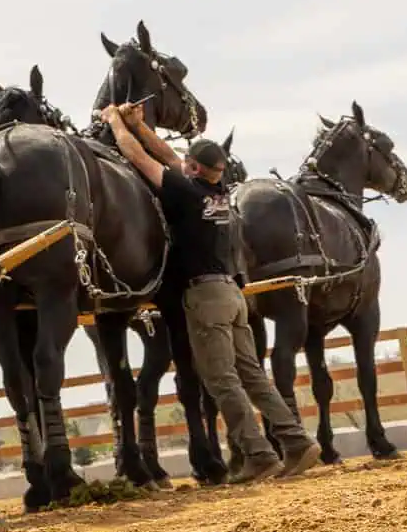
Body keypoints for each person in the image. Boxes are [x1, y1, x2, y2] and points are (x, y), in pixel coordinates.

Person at [103, 103, 323, 483]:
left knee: (221, 379)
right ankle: (298, 442)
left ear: (194, 168)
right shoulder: (217, 193)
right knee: (253, 376)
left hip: (205, 297)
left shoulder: (185, 193)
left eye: (187, 163)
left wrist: (114, 122)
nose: (180, 164)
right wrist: (139, 124)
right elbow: (169, 156)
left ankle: (258, 454)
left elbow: (138, 157)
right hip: (234, 295)